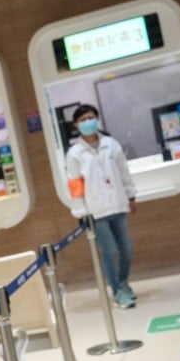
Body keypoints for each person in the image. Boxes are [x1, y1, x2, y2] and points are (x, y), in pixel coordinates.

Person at [65, 103, 138, 309]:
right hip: (96, 211)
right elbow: (75, 184)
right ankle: (117, 292)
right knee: (109, 251)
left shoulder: (111, 144)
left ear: (97, 119)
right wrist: (80, 211)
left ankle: (123, 282)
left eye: (91, 118)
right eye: (82, 120)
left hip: (117, 203)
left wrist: (131, 196)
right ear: (76, 125)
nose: (88, 122)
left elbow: (123, 172)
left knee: (126, 249)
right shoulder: (75, 153)